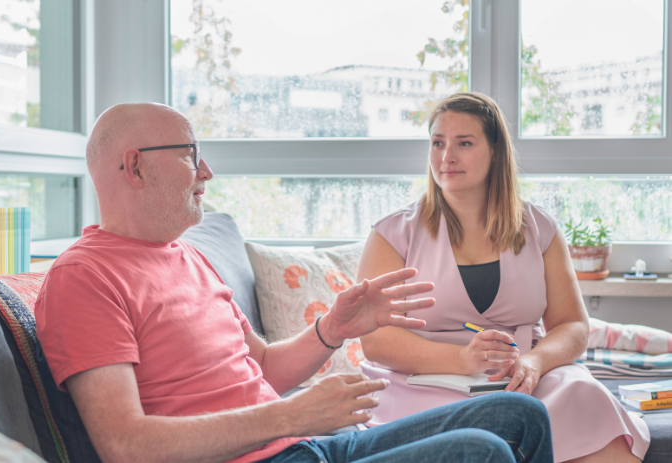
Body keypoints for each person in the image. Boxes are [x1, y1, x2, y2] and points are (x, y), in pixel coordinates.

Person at [34, 102, 555, 463]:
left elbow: (262, 367)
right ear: (134, 167)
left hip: (303, 448)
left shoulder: (186, 257)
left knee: (520, 414)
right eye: (190, 154)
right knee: (481, 453)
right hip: (271, 452)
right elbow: (125, 445)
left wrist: (333, 329)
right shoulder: (85, 277)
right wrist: (289, 416)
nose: (206, 171)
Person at [357, 92, 650, 463]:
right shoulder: (392, 233)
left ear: (495, 151)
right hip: (420, 383)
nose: (447, 157)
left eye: (464, 143)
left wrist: (535, 363)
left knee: (587, 396)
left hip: (523, 379)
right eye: (438, 143)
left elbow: (573, 325)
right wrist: (461, 358)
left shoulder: (539, 227)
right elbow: (376, 340)